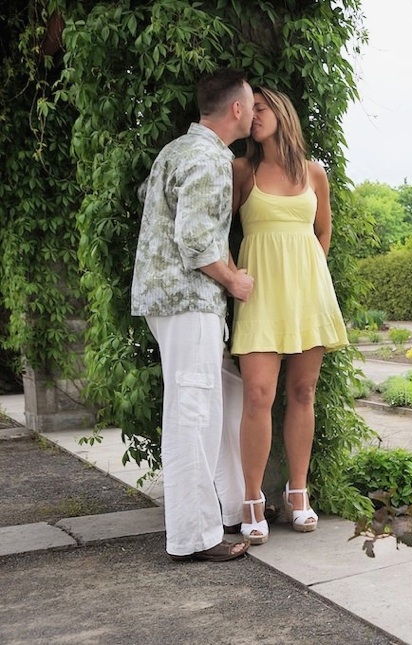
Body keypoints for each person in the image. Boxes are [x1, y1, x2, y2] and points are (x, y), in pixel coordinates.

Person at [131, 68, 256, 562]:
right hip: (189, 301)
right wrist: (235, 280)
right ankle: (194, 537)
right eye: (251, 104)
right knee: (192, 414)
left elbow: (151, 200)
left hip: (169, 300)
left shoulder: (177, 151)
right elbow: (196, 241)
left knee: (223, 395)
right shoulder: (207, 159)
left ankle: (226, 507)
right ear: (237, 110)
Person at [230, 87, 348, 544]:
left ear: (281, 111)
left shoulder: (315, 173)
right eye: (249, 109)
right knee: (258, 394)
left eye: (259, 109)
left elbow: (324, 233)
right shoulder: (242, 170)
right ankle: (253, 500)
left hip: (307, 297)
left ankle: (299, 494)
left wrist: (309, 275)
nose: (252, 117)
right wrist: (233, 277)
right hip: (259, 296)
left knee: (303, 391)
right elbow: (219, 230)